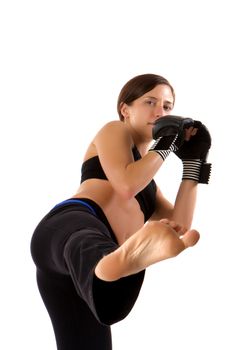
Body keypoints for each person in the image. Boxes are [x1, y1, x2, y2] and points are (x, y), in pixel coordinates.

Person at [30, 73, 211, 350]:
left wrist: (194, 164)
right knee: (88, 242)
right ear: (125, 109)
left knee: (93, 335)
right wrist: (166, 144)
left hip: (84, 274)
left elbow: (179, 226)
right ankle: (126, 258)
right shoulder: (114, 131)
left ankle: (123, 261)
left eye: (167, 106)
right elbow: (126, 184)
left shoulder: (149, 186)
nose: (159, 111)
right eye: (150, 102)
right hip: (70, 227)